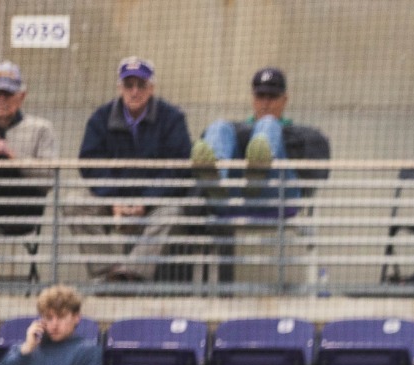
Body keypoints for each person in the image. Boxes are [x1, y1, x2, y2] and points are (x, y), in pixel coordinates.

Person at [76, 56, 193, 282]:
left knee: (174, 211)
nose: (135, 92)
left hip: (155, 203)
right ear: (120, 88)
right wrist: (113, 200)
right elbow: (90, 162)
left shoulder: (172, 118)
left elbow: (179, 166)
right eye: (129, 85)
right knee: (75, 204)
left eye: (141, 85)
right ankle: (109, 273)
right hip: (112, 201)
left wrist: (146, 201)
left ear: (152, 88)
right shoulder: (100, 118)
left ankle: (132, 273)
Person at [189, 67, 331, 216]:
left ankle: (258, 171)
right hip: (232, 197)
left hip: (278, 197)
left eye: (272, 96)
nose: (265, 103)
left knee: (268, 123)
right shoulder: (234, 131)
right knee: (219, 126)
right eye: (260, 96)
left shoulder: (299, 134)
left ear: (284, 100)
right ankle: (215, 180)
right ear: (253, 98)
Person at [0, 62, 58, 287]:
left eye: (8, 94)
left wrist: (13, 157)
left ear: (21, 96)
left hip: (21, 205)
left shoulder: (41, 128)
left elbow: (48, 178)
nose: (2, 100)